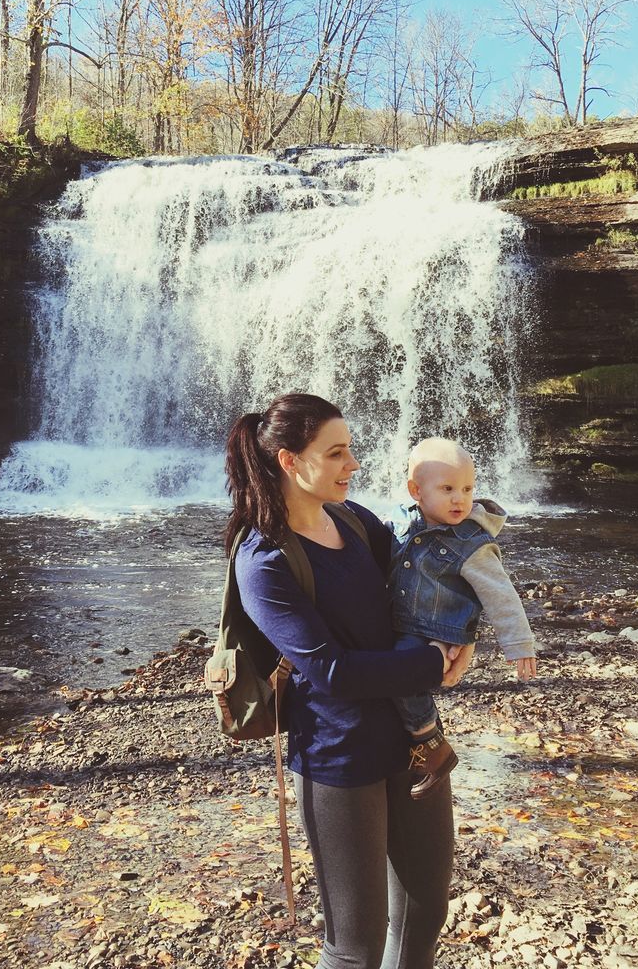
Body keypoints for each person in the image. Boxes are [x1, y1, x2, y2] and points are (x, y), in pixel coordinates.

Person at [226, 393, 473, 969]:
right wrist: (433, 665)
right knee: (354, 944)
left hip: (414, 738)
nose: (352, 465)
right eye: (336, 453)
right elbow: (331, 671)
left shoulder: (354, 519)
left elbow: (429, 579)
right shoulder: (264, 560)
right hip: (338, 756)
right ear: (290, 461)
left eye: (351, 451)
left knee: (424, 913)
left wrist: (473, 627)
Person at [386, 437, 537, 799]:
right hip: (398, 620)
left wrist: (518, 644)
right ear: (416, 491)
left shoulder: (472, 543)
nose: (460, 498)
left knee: (399, 675)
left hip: (433, 630)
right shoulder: (401, 522)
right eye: (448, 488)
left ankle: (431, 745)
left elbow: (500, 594)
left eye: (468, 488)